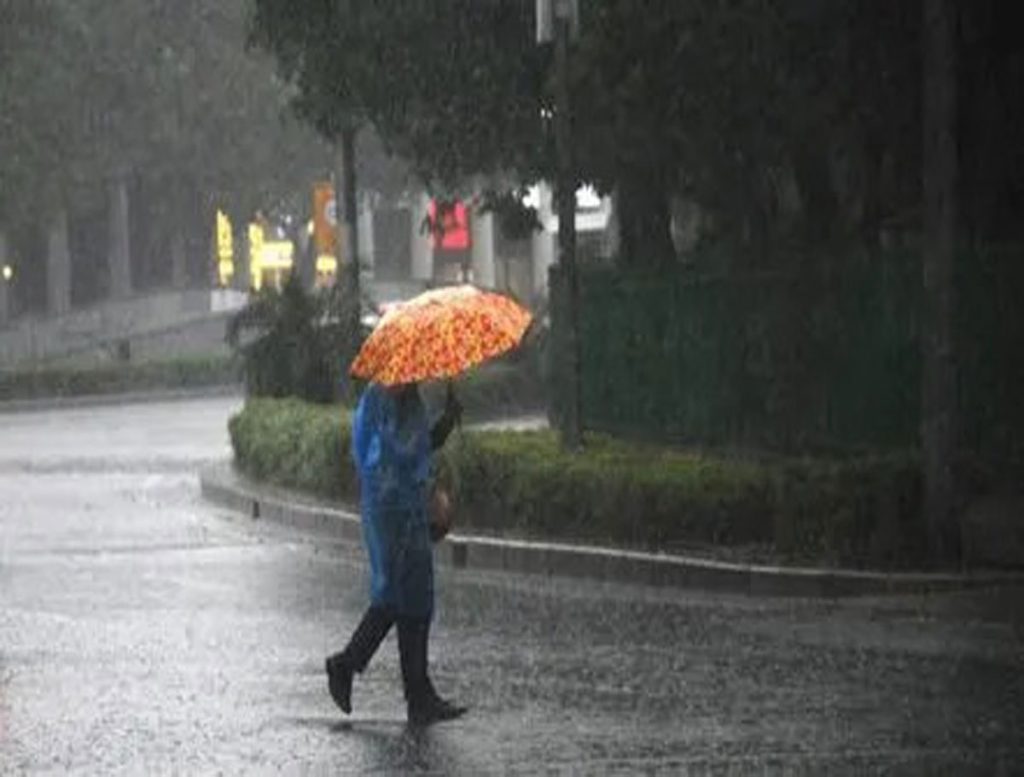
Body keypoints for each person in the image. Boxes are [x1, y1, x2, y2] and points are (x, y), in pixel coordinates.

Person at [325, 381, 466, 726]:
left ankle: (415, 693)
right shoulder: (384, 399)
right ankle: (352, 666)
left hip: (405, 509)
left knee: (411, 601)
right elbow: (391, 455)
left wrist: (446, 422)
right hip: (393, 511)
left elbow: (417, 448)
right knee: (401, 599)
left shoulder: (406, 398)